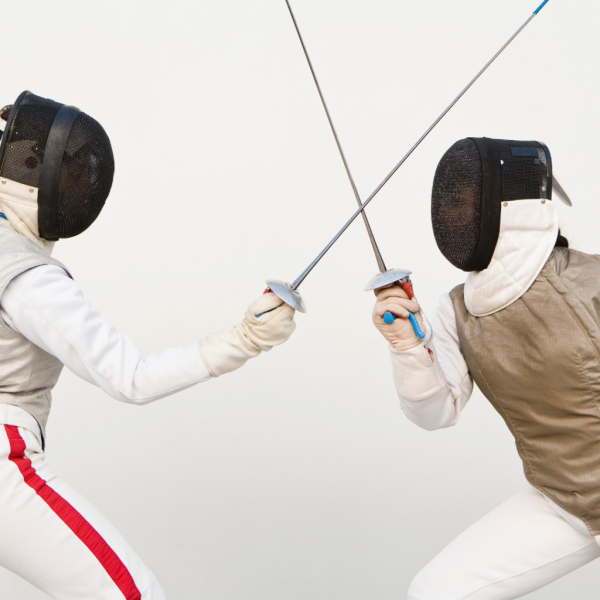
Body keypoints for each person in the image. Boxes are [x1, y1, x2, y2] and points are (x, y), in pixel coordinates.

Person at [0, 91, 298, 600]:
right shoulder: (28, 275)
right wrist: (244, 340)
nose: (82, 185)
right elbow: (131, 379)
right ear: (32, 171)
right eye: (74, 172)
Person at [372, 137, 600, 599]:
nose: (455, 212)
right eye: (451, 201)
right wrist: (408, 346)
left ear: (511, 206)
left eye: (466, 200)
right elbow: (435, 413)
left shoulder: (590, 280)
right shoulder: (458, 309)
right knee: (435, 591)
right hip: (567, 499)